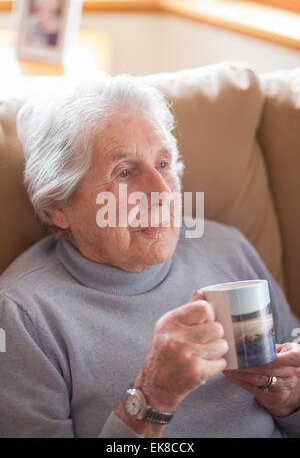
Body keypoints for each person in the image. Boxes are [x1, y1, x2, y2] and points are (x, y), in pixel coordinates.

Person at [0, 74, 299, 438]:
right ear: (58, 206)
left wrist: (287, 399)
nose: (161, 193)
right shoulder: (23, 314)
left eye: (163, 164)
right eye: (124, 172)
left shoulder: (226, 247)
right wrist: (152, 396)